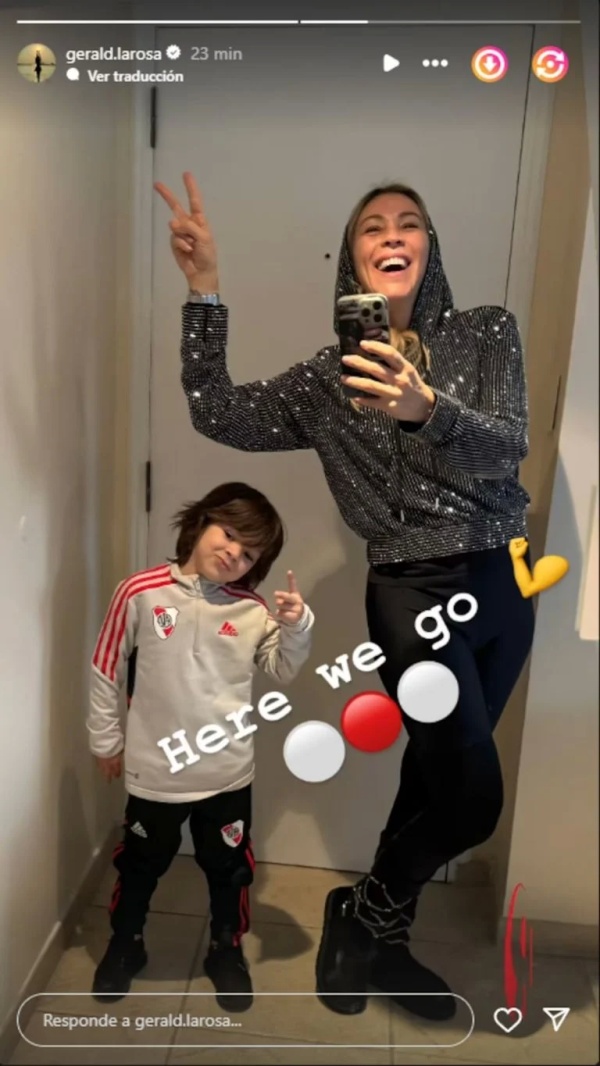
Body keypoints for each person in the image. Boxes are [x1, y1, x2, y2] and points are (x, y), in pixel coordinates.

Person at [154, 173, 536, 1021]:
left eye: (410, 223)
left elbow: (506, 448)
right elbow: (220, 413)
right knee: (473, 801)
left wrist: (427, 409)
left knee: (434, 778)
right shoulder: (330, 380)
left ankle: (380, 938)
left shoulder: (487, 331)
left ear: (429, 248)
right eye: (373, 227)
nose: (392, 234)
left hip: (502, 582)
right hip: (411, 588)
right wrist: (204, 290)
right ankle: (359, 913)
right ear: (353, 260)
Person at [87, 482, 314, 1011]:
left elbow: (283, 668)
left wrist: (297, 625)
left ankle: (225, 948)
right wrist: (106, 741)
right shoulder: (139, 592)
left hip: (226, 774)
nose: (234, 553)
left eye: (250, 553)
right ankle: (126, 943)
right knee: (140, 864)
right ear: (201, 524)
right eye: (229, 534)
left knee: (230, 869)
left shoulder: (252, 609)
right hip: (155, 773)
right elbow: (105, 668)